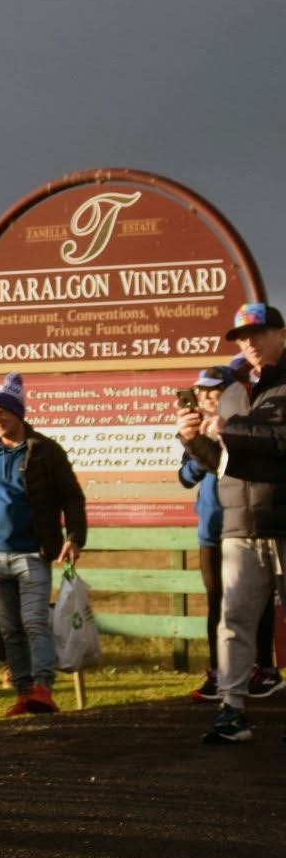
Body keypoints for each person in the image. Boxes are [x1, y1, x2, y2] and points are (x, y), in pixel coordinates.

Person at [0, 374, 88, 717]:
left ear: (19, 414)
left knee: (33, 622)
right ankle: (24, 693)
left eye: (4, 412)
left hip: (33, 554)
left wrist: (74, 537)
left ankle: (43, 687)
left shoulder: (45, 451)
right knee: (9, 629)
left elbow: (72, 497)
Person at [181, 303, 286, 745]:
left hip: (284, 522)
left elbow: (280, 441)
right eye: (242, 338)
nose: (250, 343)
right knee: (234, 621)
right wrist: (194, 440)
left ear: (281, 333)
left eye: (258, 333)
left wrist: (229, 427)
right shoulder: (236, 389)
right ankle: (232, 711)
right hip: (240, 526)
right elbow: (224, 465)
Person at [179, 366, 276, 702]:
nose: (206, 396)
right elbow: (187, 474)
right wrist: (196, 441)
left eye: (213, 389)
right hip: (214, 529)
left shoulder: (245, 421)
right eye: (201, 390)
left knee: (256, 604)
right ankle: (222, 677)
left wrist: (226, 432)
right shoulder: (201, 426)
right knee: (219, 603)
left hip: (254, 524)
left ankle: (262, 668)